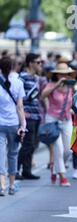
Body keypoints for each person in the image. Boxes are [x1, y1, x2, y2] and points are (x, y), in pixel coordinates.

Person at [42, 62, 77, 187]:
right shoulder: (51, 84)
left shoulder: (70, 87)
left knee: (68, 150)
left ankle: (54, 166)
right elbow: (43, 96)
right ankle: (62, 176)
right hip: (52, 119)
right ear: (56, 75)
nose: (64, 76)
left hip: (67, 118)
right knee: (58, 148)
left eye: (66, 74)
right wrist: (56, 85)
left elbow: (73, 102)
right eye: (61, 73)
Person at [0, 57, 27, 196]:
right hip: (13, 124)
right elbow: (20, 106)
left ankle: (2, 186)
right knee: (13, 154)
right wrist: (23, 125)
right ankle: (11, 185)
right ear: (12, 67)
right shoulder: (18, 83)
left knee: (0, 154)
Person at [17, 53, 44, 180]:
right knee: (27, 144)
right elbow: (17, 96)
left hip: (36, 114)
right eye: (38, 62)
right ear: (30, 63)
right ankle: (16, 170)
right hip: (27, 115)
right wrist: (21, 113)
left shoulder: (36, 78)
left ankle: (26, 170)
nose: (40, 65)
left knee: (33, 144)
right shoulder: (22, 77)